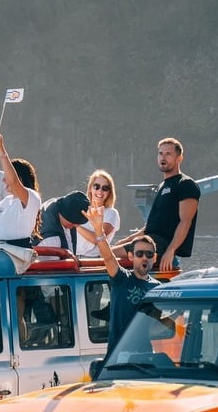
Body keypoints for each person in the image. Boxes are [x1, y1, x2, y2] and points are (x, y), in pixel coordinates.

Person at [115, 137, 200, 272]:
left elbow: (186, 221)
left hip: (161, 244)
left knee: (107, 255)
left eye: (168, 154)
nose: (163, 157)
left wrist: (170, 251)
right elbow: (151, 226)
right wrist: (127, 240)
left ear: (179, 158)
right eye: (160, 153)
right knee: (109, 251)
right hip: (149, 239)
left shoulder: (185, 184)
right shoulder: (161, 186)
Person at [85, 205, 158, 350]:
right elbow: (108, 258)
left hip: (144, 354)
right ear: (130, 256)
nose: (144, 258)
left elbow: (160, 318)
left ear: (154, 258)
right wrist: (99, 231)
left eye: (149, 255)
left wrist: (179, 327)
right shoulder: (122, 279)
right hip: (118, 354)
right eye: (139, 254)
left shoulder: (157, 288)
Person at [0, 133, 41, 247]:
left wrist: (1, 150)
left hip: (17, 250)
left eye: (6, 177)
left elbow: (13, 182)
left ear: (19, 177)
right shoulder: (5, 201)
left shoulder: (31, 197)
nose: (4, 181)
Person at [75, 170, 120, 257]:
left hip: (93, 260)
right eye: (96, 186)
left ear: (109, 192)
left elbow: (98, 239)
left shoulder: (111, 213)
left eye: (105, 188)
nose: (100, 191)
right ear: (90, 188)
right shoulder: (80, 209)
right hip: (73, 257)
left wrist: (75, 225)